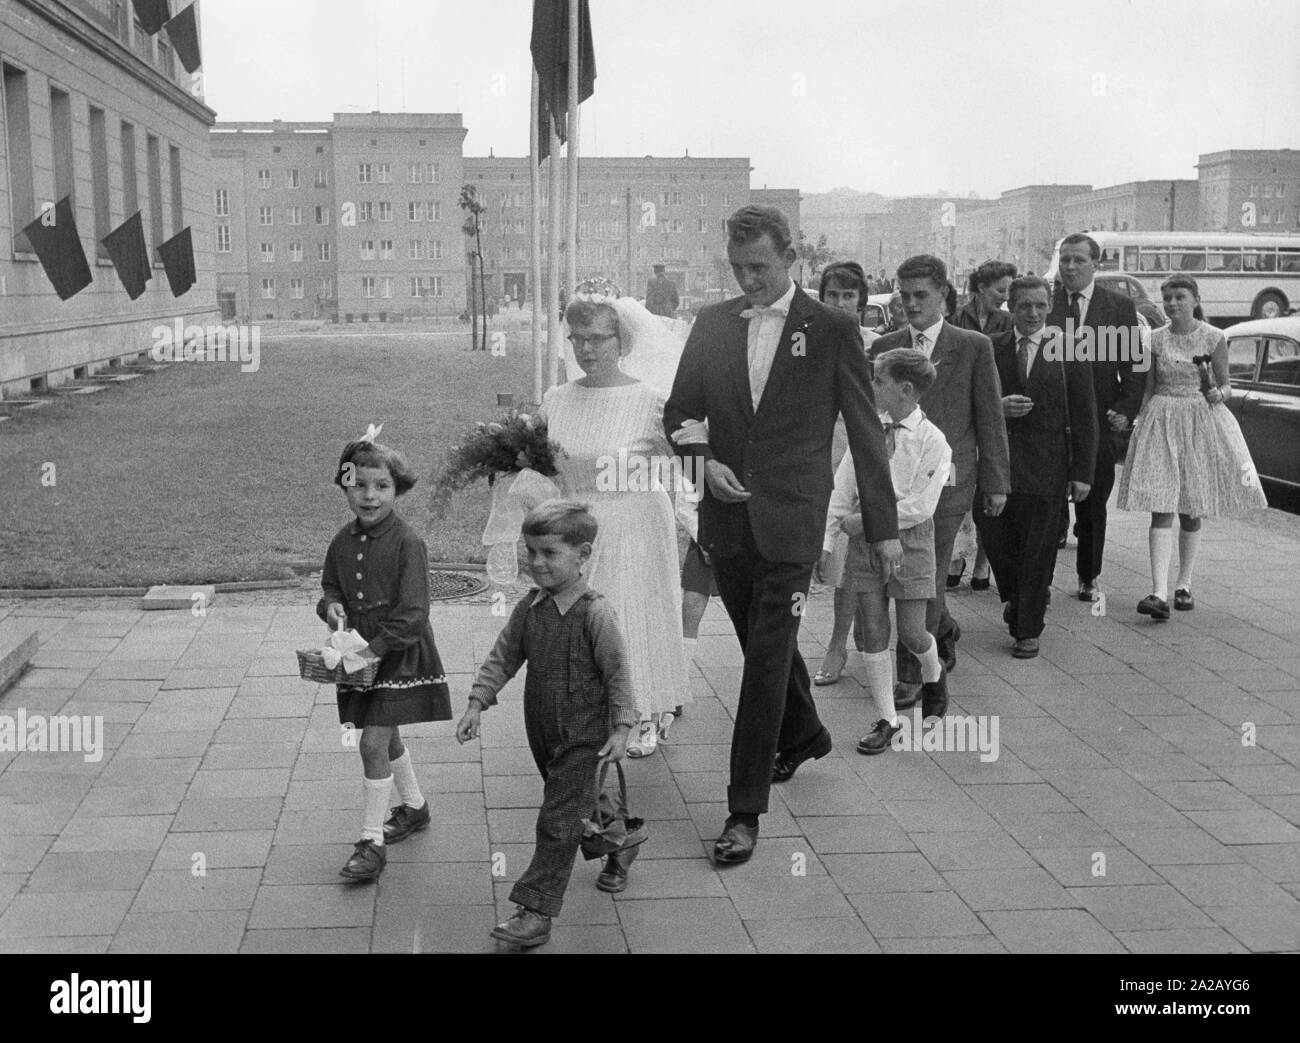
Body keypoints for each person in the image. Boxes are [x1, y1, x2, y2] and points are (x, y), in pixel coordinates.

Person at [665, 205, 900, 866]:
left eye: (760, 267)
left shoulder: (832, 329)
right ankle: (802, 734)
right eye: (738, 269)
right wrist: (702, 462)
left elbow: (863, 430)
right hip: (728, 520)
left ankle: (744, 809)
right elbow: (681, 411)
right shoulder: (712, 324)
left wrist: (882, 528)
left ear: (790, 258)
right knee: (756, 641)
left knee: (764, 658)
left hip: (794, 520)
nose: (750, 280)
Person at [457, 502, 637, 948]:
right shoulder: (529, 608)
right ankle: (622, 838)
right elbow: (504, 657)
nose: (536, 563)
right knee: (580, 805)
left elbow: (618, 673)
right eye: (530, 551)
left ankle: (536, 910)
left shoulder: (596, 613)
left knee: (557, 820)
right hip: (542, 730)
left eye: (549, 553)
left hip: (586, 736)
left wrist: (621, 728)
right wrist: (477, 702)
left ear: (582, 554)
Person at [543, 279, 691, 757]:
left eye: (598, 338)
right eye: (578, 338)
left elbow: (686, 468)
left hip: (636, 521)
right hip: (578, 527)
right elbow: (545, 467)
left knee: (632, 613)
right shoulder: (557, 399)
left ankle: (646, 712)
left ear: (621, 339)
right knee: (586, 622)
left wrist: (699, 519)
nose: (587, 348)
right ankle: (594, 710)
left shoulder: (651, 400)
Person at [870, 255, 1010, 709]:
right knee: (917, 578)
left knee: (920, 576)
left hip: (949, 486)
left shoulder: (971, 346)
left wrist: (996, 482)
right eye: (903, 296)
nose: (910, 305)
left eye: (920, 296)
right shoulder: (887, 346)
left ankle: (912, 674)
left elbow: (989, 417)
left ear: (943, 296)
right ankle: (942, 630)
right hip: (894, 485)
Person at [318, 427, 452, 882]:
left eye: (382, 486)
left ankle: (371, 842)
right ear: (344, 486)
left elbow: (414, 614)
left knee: (372, 742)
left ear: (397, 490)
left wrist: (374, 650)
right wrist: (329, 606)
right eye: (358, 485)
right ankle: (414, 807)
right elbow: (331, 585)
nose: (369, 496)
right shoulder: (342, 541)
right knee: (386, 737)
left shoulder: (408, 543)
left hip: (398, 656)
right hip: (360, 655)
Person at [820, 348, 952, 750]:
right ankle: (887, 719)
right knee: (873, 629)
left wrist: (872, 520)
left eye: (878, 380)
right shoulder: (867, 431)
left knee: (913, 633)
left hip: (909, 541)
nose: (871, 386)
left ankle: (934, 671)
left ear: (905, 389)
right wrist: (827, 541)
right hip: (863, 540)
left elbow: (920, 506)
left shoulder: (934, 442)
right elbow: (843, 488)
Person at [1117, 275, 1267, 619]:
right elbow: (1149, 388)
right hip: (1163, 418)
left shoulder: (1214, 337)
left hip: (1200, 421)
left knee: (1191, 507)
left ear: (1195, 299)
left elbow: (1225, 384)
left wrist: (1219, 393)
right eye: (1167, 298)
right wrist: (1138, 421)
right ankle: (1158, 592)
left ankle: (1183, 584)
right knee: (1160, 502)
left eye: (1179, 297)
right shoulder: (1154, 339)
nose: (1172, 304)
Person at [977, 277, 1098, 658]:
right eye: (1024, 306)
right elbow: (973, 401)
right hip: (999, 466)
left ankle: (1027, 628)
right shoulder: (989, 348)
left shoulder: (1069, 349)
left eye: (1040, 306)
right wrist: (999, 405)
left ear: (1049, 308)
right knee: (996, 540)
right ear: (1009, 307)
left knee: (1039, 549)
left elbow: (1085, 412)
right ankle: (1020, 597)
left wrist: (1083, 472)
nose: (1032, 313)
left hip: (1048, 468)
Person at [1048, 233, 1144, 603]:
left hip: (1098, 421)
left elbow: (1135, 364)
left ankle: (1089, 575)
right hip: (1051, 420)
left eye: (1078, 260)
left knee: (1092, 502)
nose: (1070, 267)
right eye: (1065, 259)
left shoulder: (1117, 307)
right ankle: (1040, 573)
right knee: (1048, 501)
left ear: (1096, 264)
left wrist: (1124, 408)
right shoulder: (1047, 304)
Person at [813, 259, 880, 685]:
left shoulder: (876, 345)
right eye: (832, 295)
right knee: (831, 558)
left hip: (864, 459)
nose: (839, 303)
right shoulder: (805, 343)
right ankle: (838, 642)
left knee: (857, 560)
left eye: (848, 296)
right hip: (822, 459)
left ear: (861, 302)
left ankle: (844, 644)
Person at [954, 260, 1017, 338]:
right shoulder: (955, 318)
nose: (1006, 297)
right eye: (1000, 291)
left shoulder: (1009, 322)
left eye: (1008, 292)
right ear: (982, 288)